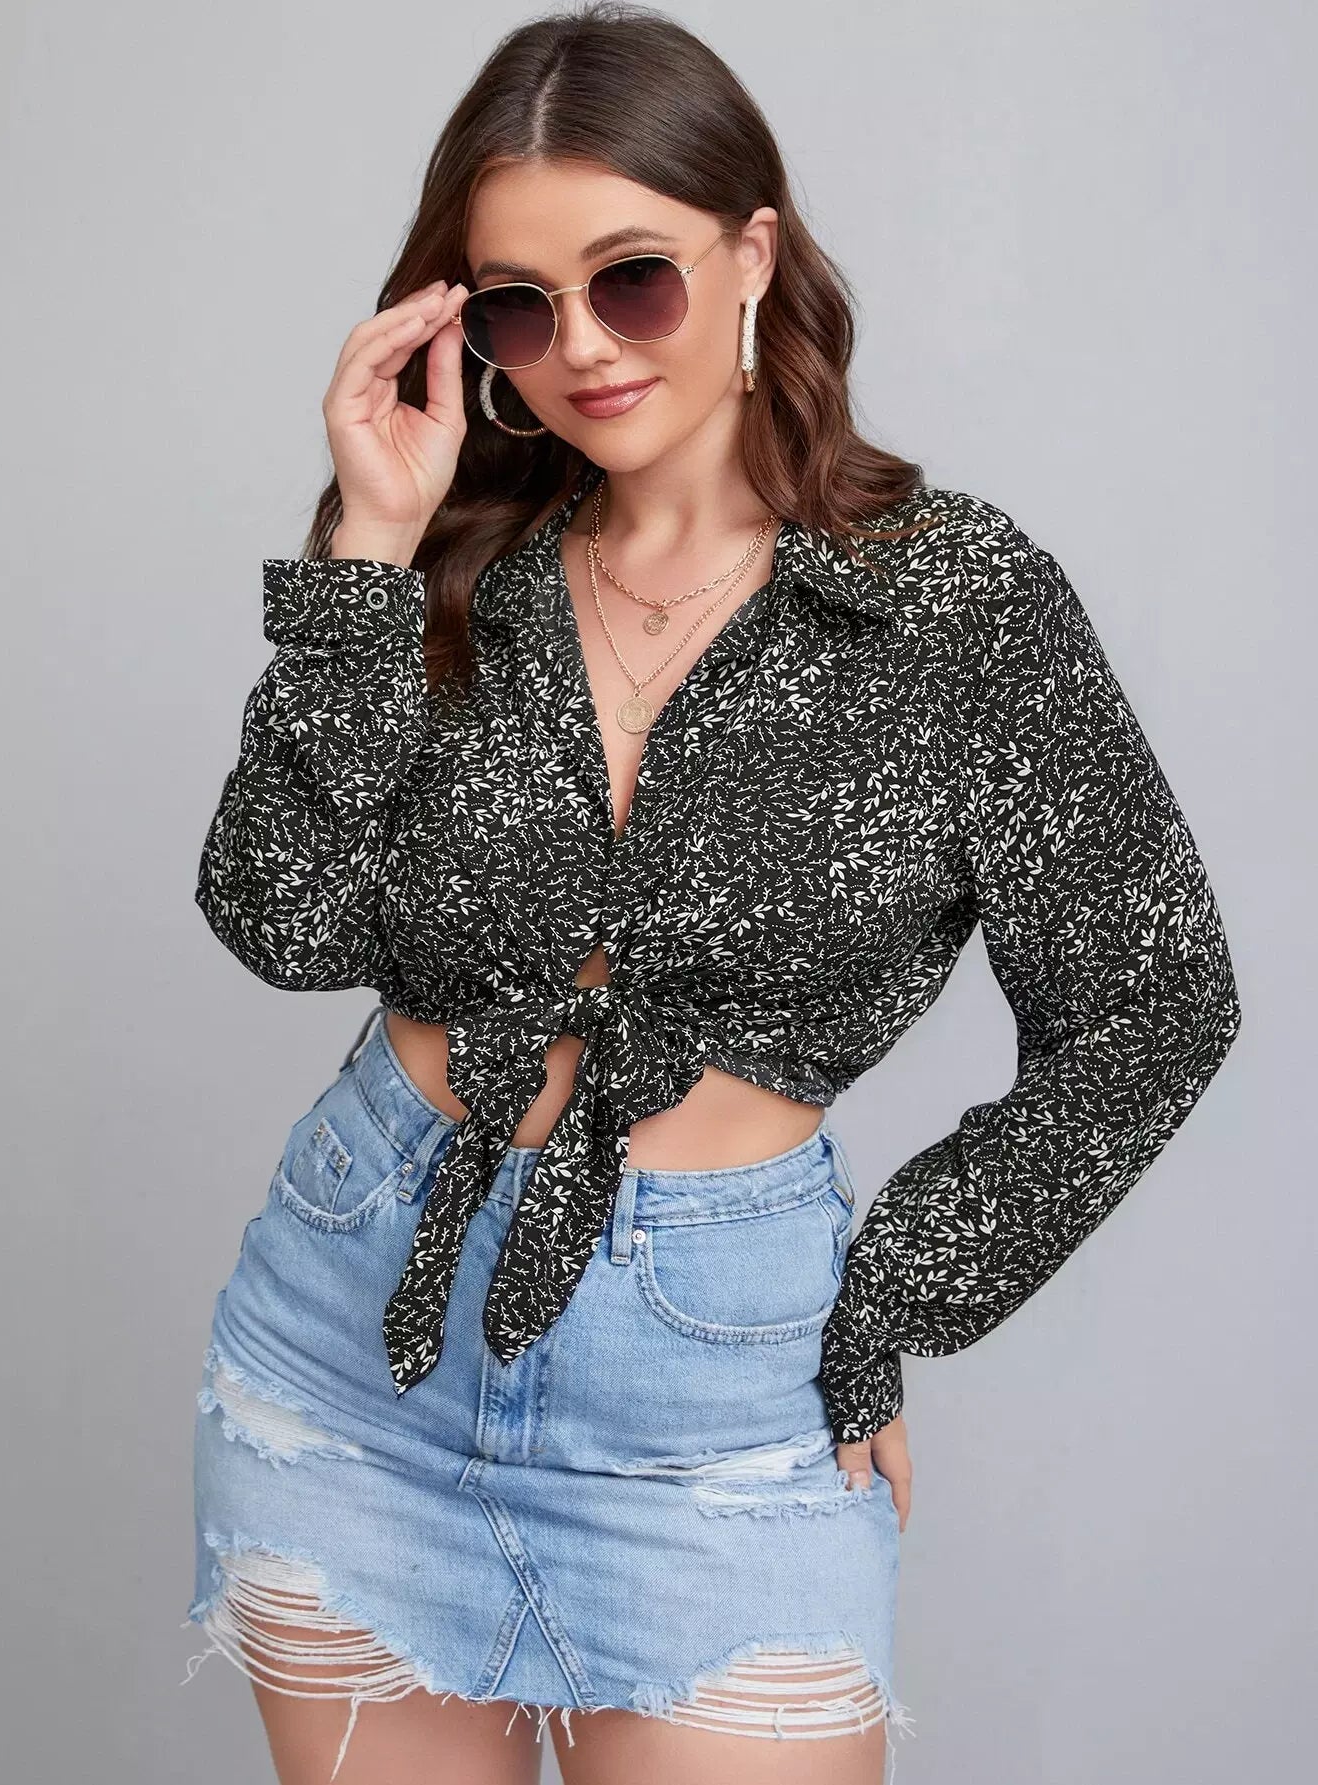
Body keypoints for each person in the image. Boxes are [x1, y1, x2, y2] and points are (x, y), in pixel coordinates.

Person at [179, 7, 1242, 1783]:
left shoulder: (952, 603)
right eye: (520, 307)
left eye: (634, 279)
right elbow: (280, 919)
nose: (584, 347)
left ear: (752, 254)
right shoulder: (453, 556)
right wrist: (368, 541)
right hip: (350, 1348)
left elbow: (1155, 1000)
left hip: (714, 1384)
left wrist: (898, 1288)